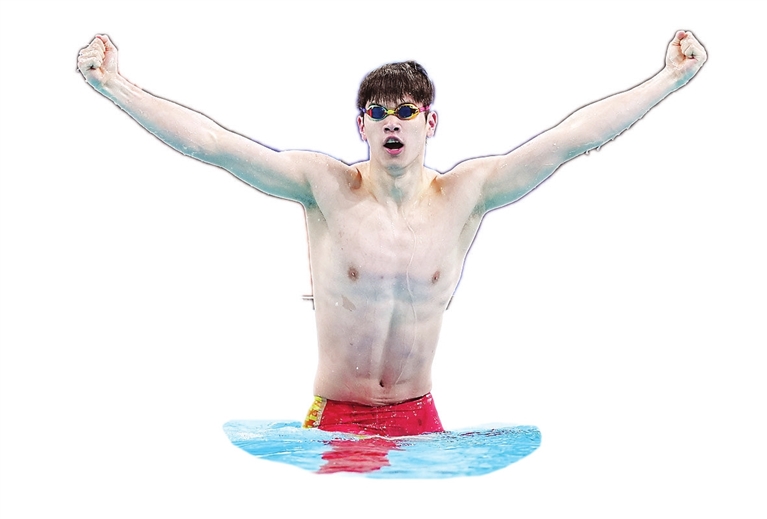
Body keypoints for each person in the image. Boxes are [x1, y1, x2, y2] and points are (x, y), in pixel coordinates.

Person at [77, 31, 706, 437]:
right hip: (336, 416)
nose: (392, 123)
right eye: (377, 113)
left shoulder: (466, 194)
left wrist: (669, 78)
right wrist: (114, 85)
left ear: (431, 121)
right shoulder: (324, 186)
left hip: (421, 417)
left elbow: (572, 140)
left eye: (406, 111)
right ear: (362, 127)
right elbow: (213, 145)